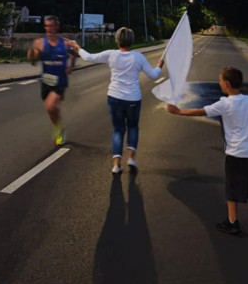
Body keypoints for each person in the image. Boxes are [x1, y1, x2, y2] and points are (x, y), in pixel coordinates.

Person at [167, 66, 248, 235]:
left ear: (227, 84)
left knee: (231, 188)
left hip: (236, 153)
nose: (220, 83)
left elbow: (200, 111)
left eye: (221, 80)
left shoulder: (225, 104)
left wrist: (178, 112)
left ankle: (232, 222)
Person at [72, 27, 164, 174]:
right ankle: (132, 159)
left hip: (114, 98)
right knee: (133, 127)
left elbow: (88, 57)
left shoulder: (111, 55)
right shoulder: (138, 57)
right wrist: (159, 66)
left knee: (118, 130)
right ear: (132, 41)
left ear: (117, 40)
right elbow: (153, 75)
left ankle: (116, 165)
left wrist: (77, 47)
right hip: (133, 99)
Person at [27, 15, 76, 146]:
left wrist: (71, 66)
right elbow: (33, 62)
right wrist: (32, 56)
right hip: (46, 80)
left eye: (52, 26)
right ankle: (59, 127)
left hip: (60, 80)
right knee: (50, 109)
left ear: (57, 27)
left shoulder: (64, 43)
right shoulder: (39, 43)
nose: (50, 29)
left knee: (51, 106)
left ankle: (59, 131)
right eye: (47, 26)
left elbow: (74, 53)